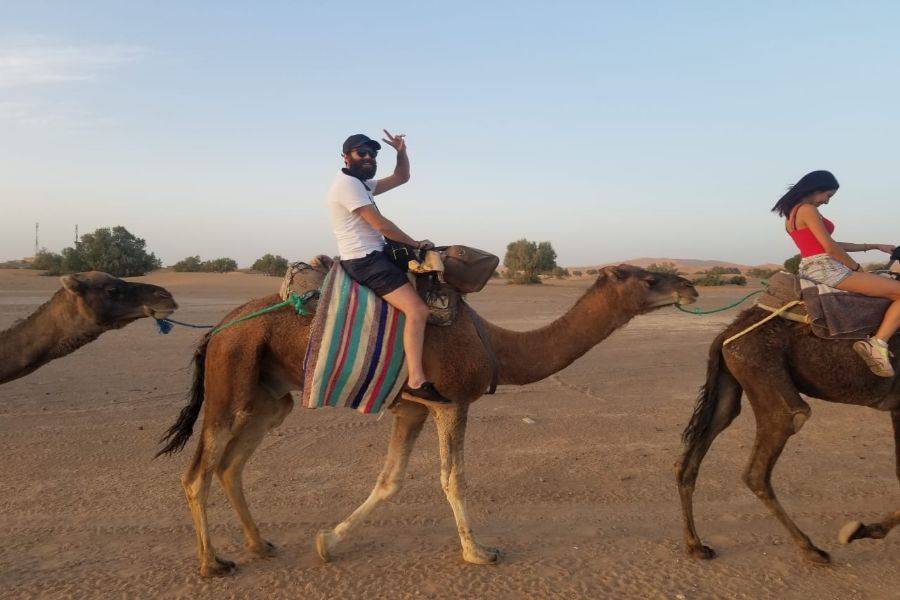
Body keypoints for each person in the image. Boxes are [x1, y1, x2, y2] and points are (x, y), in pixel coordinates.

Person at [327, 131, 451, 404]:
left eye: (372, 153)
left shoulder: (362, 184)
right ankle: (416, 380)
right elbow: (380, 224)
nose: (369, 157)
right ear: (346, 157)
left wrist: (401, 152)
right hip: (365, 260)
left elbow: (401, 177)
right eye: (362, 152)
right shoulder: (346, 186)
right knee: (417, 310)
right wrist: (414, 243)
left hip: (378, 253)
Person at [773, 170, 900, 377]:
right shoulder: (808, 209)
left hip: (812, 266)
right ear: (815, 189)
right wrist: (856, 268)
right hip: (827, 268)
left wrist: (874, 245)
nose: (827, 201)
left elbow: (830, 243)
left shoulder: (792, 214)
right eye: (827, 195)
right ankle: (877, 344)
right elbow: (830, 248)